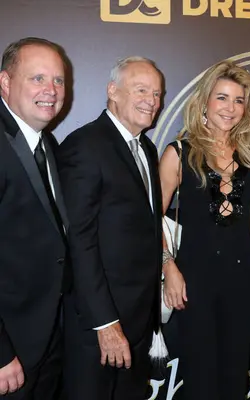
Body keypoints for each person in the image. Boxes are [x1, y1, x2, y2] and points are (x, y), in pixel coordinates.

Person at [159, 60, 250, 399]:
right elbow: (150, 218)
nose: (230, 108)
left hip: (241, 280)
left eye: (239, 100)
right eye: (222, 98)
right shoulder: (178, 152)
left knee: (234, 373)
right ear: (204, 102)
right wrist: (169, 267)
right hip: (195, 280)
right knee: (201, 376)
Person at [58, 56, 163, 400]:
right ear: (113, 92)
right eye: (141, 90)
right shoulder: (85, 146)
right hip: (98, 326)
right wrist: (104, 324)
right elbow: (79, 241)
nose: (152, 100)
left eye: (158, 93)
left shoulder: (146, 148)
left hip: (137, 320)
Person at [0, 37, 69, 400]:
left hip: (47, 339)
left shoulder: (47, 144)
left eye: (58, 80)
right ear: (6, 83)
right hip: (9, 349)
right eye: (37, 78)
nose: (51, 90)